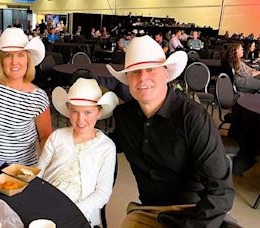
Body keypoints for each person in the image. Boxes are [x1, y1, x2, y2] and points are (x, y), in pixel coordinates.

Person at [106, 35, 235, 227]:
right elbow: (104, 145)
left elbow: (221, 192)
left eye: (150, 69)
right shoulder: (124, 117)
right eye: (135, 72)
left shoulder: (193, 118)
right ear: (127, 79)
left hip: (197, 210)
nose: (143, 78)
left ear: (166, 73)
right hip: (150, 212)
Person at [37, 78, 118, 226]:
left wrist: (73, 209)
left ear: (99, 112)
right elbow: (39, 172)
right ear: (68, 110)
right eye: (74, 111)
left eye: (88, 112)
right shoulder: (57, 136)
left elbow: (102, 193)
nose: (81, 120)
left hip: (81, 211)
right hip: (47, 201)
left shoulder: (106, 147)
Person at [0, 28, 51, 165]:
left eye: (20, 55)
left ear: (28, 59)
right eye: (8, 55)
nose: (14, 62)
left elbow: (45, 137)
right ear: (0, 60)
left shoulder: (38, 97)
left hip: (20, 171)